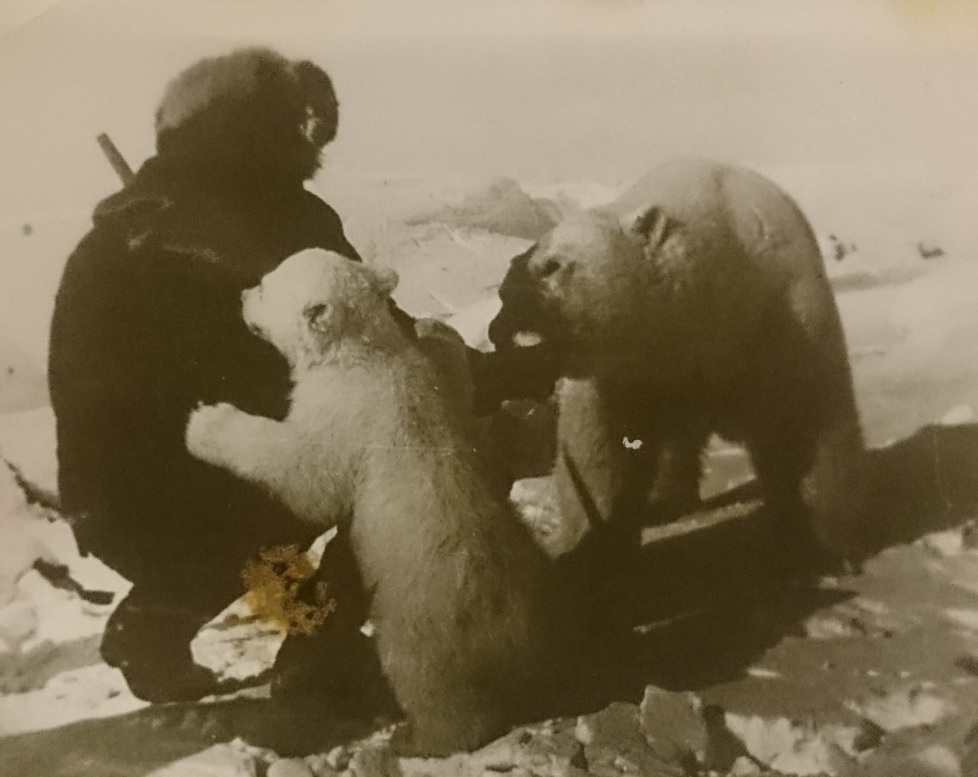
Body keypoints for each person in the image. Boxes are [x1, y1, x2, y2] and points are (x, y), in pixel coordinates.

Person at [48, 47, 558, 703]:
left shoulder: (122, 233)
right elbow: (385, 356)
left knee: (271, 512)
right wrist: (505, 375)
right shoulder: (277, 222)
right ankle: (320, 651)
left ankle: (162, 617)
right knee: (414, 459)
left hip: (115, 508)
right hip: (206, 498)